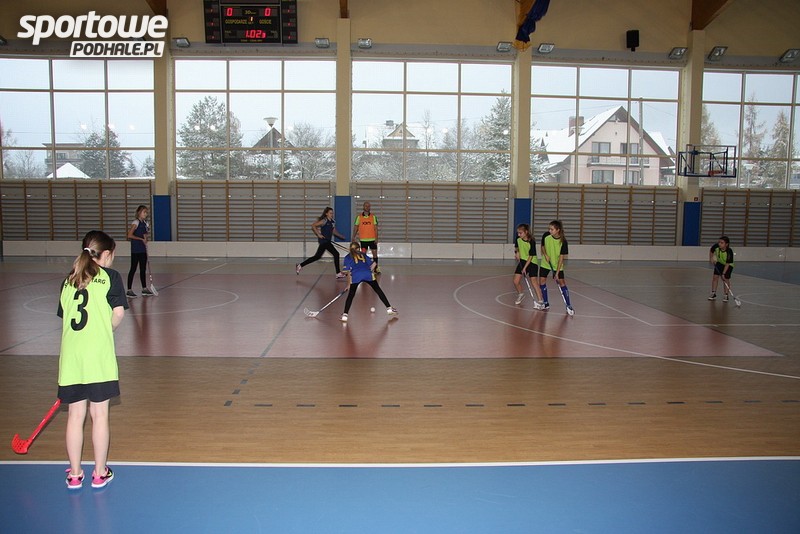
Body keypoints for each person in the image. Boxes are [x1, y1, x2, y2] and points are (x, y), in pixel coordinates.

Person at [58, 230, 128, 490]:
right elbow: (118, 314)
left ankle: (75, 475)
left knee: (75, 415)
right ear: (106, 254)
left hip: (71, 357)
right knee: (99, 415)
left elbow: (67, 316)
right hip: (98, 355)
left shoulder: (69, 279)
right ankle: (99, 473)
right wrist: (105, 330)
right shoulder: (110, 277)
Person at [340, 241, 398, 322]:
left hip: (356, 276)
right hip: (368, 274)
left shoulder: (347, 257)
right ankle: (389, 309)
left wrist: (349, 284)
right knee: (378, 290)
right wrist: (369, 271)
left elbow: (348, 272)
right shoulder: (363, 254)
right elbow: (374, 263)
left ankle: (345, 315)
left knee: (351, 295)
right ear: (358, 248)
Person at [296, 207, 348, 279]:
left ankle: (300, 265)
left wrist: (340, 236)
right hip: (324, 241)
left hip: (327, 241)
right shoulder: (324, 221)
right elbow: (313, 225)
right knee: (336, 254)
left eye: (332, 213)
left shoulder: (333, 222)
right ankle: (338, 273)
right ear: (326, 214)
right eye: (330, 213)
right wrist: (318, 234)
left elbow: (333, 231)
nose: (332, 214)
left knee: (317, 257)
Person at [538, 220, 574, 314]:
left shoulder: (563, 242)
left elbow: (561, 258)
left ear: (558, 230)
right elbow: (542, 246)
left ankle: (568, 305)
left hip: (557, 264)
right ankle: (546, 303)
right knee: (542, 281)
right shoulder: (546, 235)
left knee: (562, 282)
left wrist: (557, 273)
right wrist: (545, 254)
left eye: (552, 229)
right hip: (545, 263)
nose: (549, 231)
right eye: (549, 229)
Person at [513, 223, 545, 309]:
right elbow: (516, 247)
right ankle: (521, 294)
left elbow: (531, 256)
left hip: (532, 262)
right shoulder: (518, 239)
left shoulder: (531, 241)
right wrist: (517, 253)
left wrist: (524, 268)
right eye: (518, 233)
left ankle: (540, 301)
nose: (519, 235)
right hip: (522, 261)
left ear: (526, 232)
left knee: (534, 281)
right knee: (516, 281)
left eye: (520, 233)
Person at [126, 205, 153, 297]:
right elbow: (129, 235)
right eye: (144, 212)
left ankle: (144, 288)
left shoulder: (145, 223)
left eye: (146, 212)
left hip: (142, 249)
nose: (146, 214)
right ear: (139, 213)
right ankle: (129, 290)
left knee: (143, 269)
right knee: (133, 269)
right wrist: (141, 239)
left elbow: (144, 235)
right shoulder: (136, 222)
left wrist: (145, 239)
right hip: (135, 249)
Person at [353, 201, 381, 273]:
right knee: (363, 255)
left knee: (375, 254)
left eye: (369, 206)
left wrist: (376, 238)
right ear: (363, 207)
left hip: (372, 239)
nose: (367, 207)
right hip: (363, 240)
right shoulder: (359, 217)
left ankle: (376, 268)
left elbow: (376, 228)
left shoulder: (373, 217)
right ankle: (364, 268)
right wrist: (353, 236)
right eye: (366, 206)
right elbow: (356, 227)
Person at [708, 235, 734, 302]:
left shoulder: (729, 251)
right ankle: (713, 293)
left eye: (722, 243)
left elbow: (727, 263)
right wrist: (711, 258)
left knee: (725, 279)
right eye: (719, 242)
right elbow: (711, 250)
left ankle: (726, 295)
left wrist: (723, 273)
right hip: (719, 263)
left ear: (726, 244)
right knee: (715, 277)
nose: (719, 244)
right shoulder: (716, 246)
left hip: (728, 265)